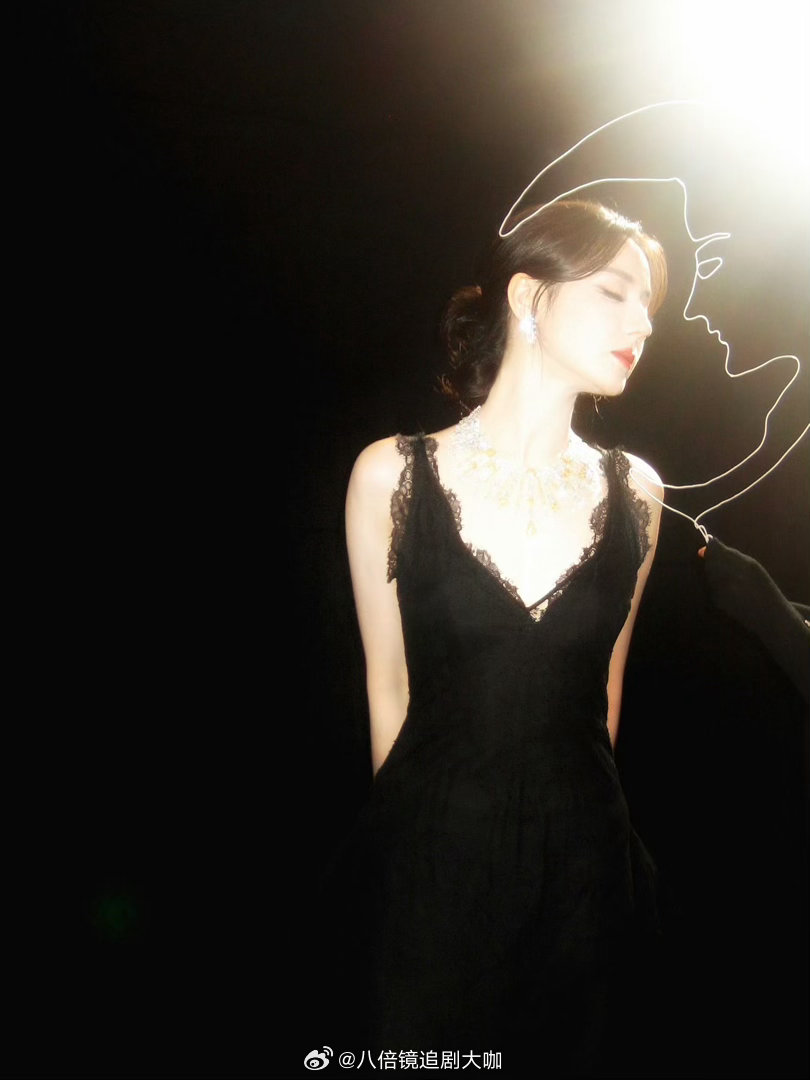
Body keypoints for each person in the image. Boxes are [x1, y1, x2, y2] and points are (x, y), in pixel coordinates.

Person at [318, 200, 669, 1075]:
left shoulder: (638, 492)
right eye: (616, 292)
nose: (643, 323)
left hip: (586, 890)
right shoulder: (391, 474)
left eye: (649, 306)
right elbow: (388, 685)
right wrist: (415, 851)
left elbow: (603, 697)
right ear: (527, 295)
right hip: (429, 879)